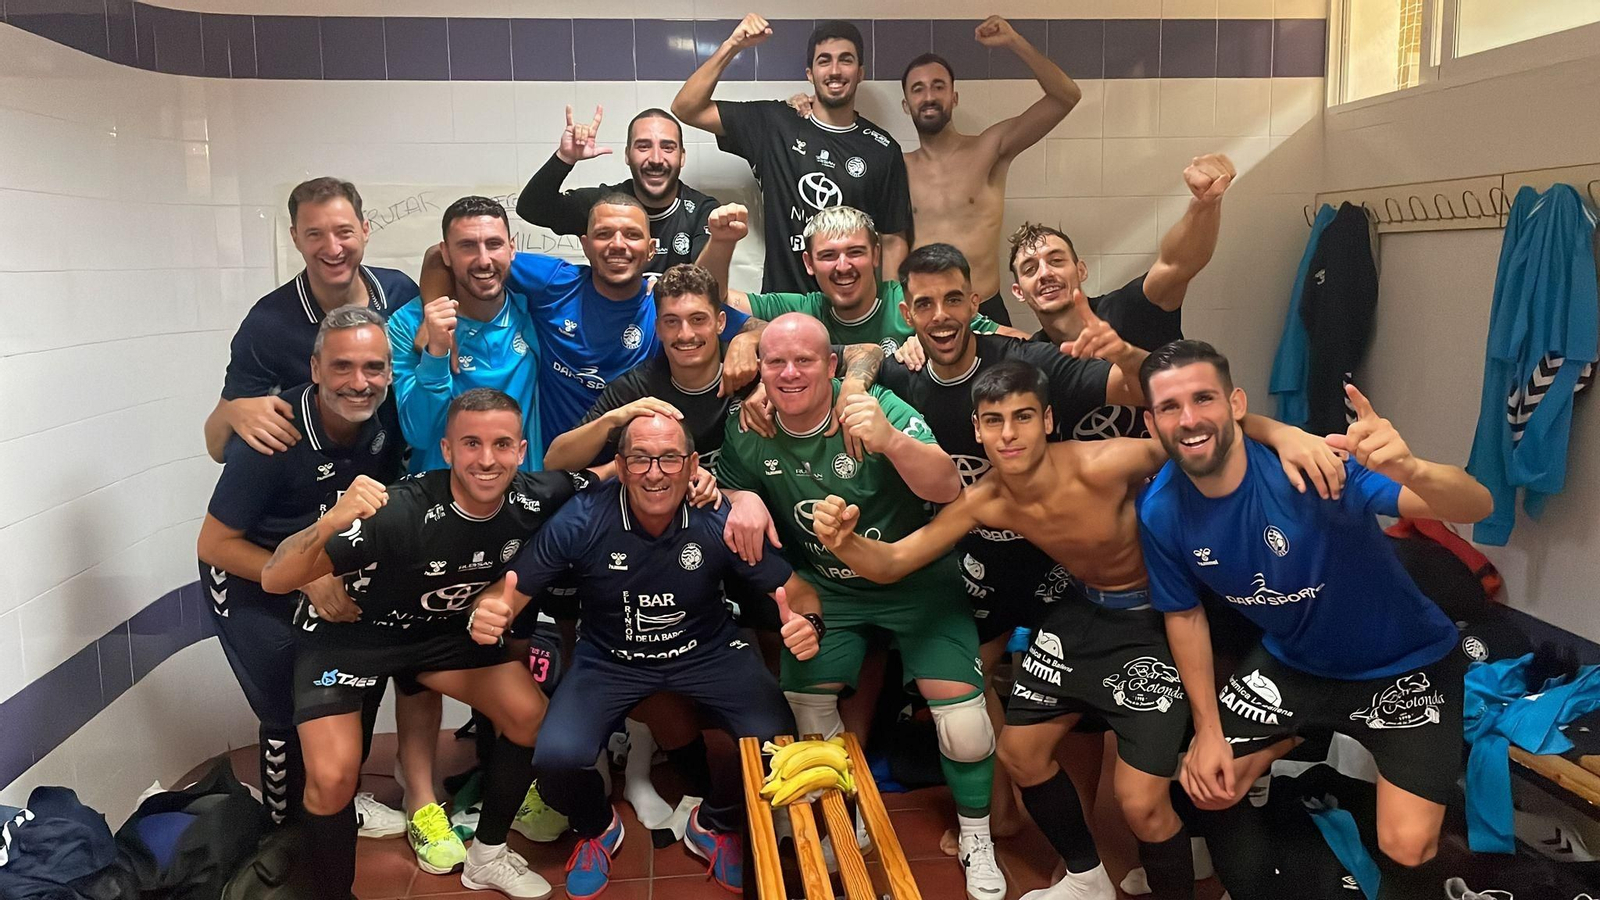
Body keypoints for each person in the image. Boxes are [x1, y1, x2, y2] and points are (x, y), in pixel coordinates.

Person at [808, 359, 1339, 900]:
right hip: (1083, 610)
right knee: (1020, 753)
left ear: (1048, 420)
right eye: (994, 421)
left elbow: (1203, 434)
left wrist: (1287, 433)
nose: (1009, 434)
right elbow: (895, 561)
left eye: (1023, 417)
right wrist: (844, 542)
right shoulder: (986, 500)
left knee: (1139, 802)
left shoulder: (1105, 462)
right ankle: (1087, 878)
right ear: (977, 429)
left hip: (1157, 616)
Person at [1136, 341, 1493, 900]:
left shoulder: (1313, 468)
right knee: (1208, 784)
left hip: (1404, 664)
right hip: (1297, 662)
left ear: (1235, 404)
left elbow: (1476, 506)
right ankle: (1291, 749)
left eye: (1203, 398)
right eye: (1169, 407)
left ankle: (1299, 737)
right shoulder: (1160, 509)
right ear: (1151, 421)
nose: (1189, 419)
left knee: (1407, 844)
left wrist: (1411, 467)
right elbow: (1183, 617)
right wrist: (1207, 730)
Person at [715, 313, 1008, 900]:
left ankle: (978, 836)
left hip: (918, 581)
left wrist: (891, 441)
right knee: (805, 705)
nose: (790, 373)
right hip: (830, 589)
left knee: (966, 728)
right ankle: (843, 824)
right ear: (761, 372)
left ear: (831, 367)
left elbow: (949, 488)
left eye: (805, 361)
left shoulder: (880, 410)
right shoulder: (749, 426)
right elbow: (722, 481)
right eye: (776, 363)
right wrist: (741, 495)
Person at [472, 414, 827, 897]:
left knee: (773, 740)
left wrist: (809, 624)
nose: (655, 472)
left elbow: (799, 591)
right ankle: (598, 828)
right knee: (555, 759)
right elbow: (508, 592)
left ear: (692, 464)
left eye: (669, 458)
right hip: (609, 659)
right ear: (619, 464)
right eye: (639, 458)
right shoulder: (582, 518)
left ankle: (714, 824)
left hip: (707, 650)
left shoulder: (719, 517)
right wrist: (491, 611)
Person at [259, 388, 593, 899]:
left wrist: (702, 481)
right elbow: (275, 578)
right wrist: (330, 520)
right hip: (350, 639)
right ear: (446, 449)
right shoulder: (399, 511)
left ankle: (487, 856)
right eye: (471, 443)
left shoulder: (536, 495)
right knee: (331, 779)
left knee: (529, 713)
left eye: (502, 444)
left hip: (437, 637)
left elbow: (612, 474)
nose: (487, 459)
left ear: (522, 451)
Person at [876, 242, 1145, 833]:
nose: (941, 315)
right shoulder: (899, 371)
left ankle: (1080, 833)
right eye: (925, 304)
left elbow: (1146, 392)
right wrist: (854, 376)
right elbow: (852, 354)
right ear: (906, 312)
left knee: (1076, 697)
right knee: (968, 678)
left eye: (954, 299)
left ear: (975, 300)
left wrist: (1127, 355)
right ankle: (997, 816)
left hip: (1060, 555)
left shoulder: (1030, 361)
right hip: (978, 554)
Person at [196, 306, 406, 836]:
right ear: (315, 369)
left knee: (354, 681)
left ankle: (340, 798)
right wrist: (304, 575)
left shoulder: (384, 419)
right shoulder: (276, 436)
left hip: (322, 571)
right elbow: (215, 542)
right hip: (246, 573)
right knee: (287, 707)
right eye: (342, 367)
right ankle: (282, 835)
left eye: (374, 367)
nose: (359, 383)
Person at [789, 17, 1081, 326]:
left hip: (985, 308)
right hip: (925, 315)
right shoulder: (893, 165)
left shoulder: (990, 149)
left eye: (938, 86)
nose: (928, 97)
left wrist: (1014, 42)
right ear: (906, 104)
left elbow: (1066, 97)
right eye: (918, 89)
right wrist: (801, 104)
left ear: (954, 97)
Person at [421, 194, 758, 452]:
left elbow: (763, 330)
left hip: (639, 469)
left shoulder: (665, 306)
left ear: (651, 249)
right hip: (559, 467)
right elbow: (441, 256)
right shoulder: (553, 282)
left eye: (631, 235)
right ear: (584, 244)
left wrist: (746, 342)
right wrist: (431, 312)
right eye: (603, 234)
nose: (617, 245)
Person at [672, 16, 913, 292]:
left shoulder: (882, 149)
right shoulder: (774, 125)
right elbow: (686, 108)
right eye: (824, 61)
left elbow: (893, 240)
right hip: (784, 311)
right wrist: (733, 44)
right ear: (810, 73)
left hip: (854, 316)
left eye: (846, 60)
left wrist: (891, 316)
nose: (835, 70)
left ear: (860, 72)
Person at [1008, 155, 1234, 436]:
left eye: (1056, 261)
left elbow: (1177, 265)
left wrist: (1204, 206)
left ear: (1081, 270)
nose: (1045, 273)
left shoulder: (1125, 309)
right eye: (1030, 269)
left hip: (1173, 462)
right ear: (1018, 291)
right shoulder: (1034, 360)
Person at [204, 176, 418, 462]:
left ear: (365, 230)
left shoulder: (400, 293)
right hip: (313, 494)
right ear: (295, 238)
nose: (332, 248)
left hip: (396, 484)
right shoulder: (268, 324)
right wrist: (233, 412)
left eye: (344, 232)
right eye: (315, 234)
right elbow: (217, 447)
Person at [706, 204, 1022, 364]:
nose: (843, 267)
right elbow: (709, 299)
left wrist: (936, 342)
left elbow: (1010, 340)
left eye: (855, 252)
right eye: (828, 255)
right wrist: (721, 244)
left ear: (875, 255)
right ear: (809, 264)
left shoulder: (917, 301)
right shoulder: (799, 311)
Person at [390, 196, 543, 472]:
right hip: (440, 498)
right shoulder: (408, 324)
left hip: (523, 496)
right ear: (446, 253)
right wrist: (436, 354)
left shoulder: (536, 309)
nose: (484, 260)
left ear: (512, 248)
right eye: (467, 246)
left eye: (494, 244)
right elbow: (418, 433)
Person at [517, 107, 717, 275]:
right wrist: (564, 158)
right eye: (643, 146)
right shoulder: (604, 206)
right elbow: (531, 208)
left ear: (682, 157)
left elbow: (705, 281)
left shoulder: (702, 210)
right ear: (627, 155)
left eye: (667, 147)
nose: (656, 159)